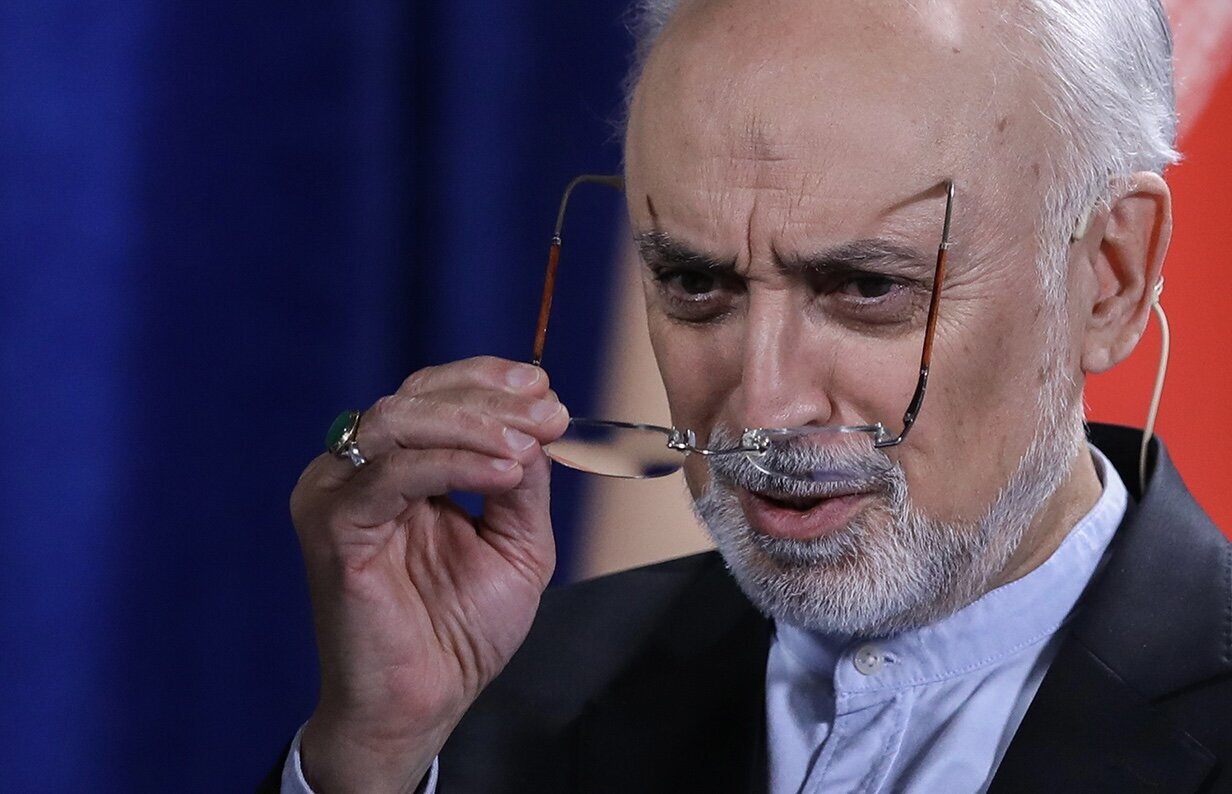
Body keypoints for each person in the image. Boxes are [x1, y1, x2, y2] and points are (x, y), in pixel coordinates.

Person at [263, 0, 1232, 791]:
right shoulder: (503, 689)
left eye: (867, 287)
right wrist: (374, 758)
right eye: (695, 283)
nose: (762, 406)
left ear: (1109, 276)